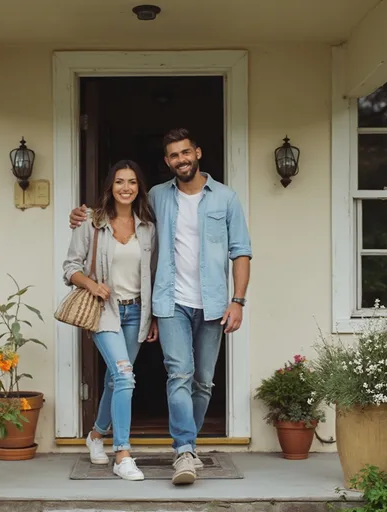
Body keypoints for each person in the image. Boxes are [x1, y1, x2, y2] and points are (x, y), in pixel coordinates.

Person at [70, 129, 252, 486]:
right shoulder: (157, 196)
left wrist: (238, 300)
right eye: (173, 155)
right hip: (168, 303)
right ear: (167, 162)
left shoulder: (226, 199)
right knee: (175, 375)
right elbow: (111, 215)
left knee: (203, 382)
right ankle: (180, 449)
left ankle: (114, 435)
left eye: (186, 153)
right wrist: (82, 215)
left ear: (197, 153)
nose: (181, 160)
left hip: (212, 305)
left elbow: (241, 251)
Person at [63, 159, 158, 481]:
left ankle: (95, 435)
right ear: (110, 186)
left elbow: (154, 275)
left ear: (139, 187)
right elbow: (70, 267)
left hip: (136, 313)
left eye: (132, 181)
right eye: (120, 181)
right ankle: (123, 454)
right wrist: (92, 284)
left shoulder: (147, 227)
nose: (126, 187)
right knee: (126, 377)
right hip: (105, 311)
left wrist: (154, 317)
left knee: (116, 379)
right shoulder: (91, 222)